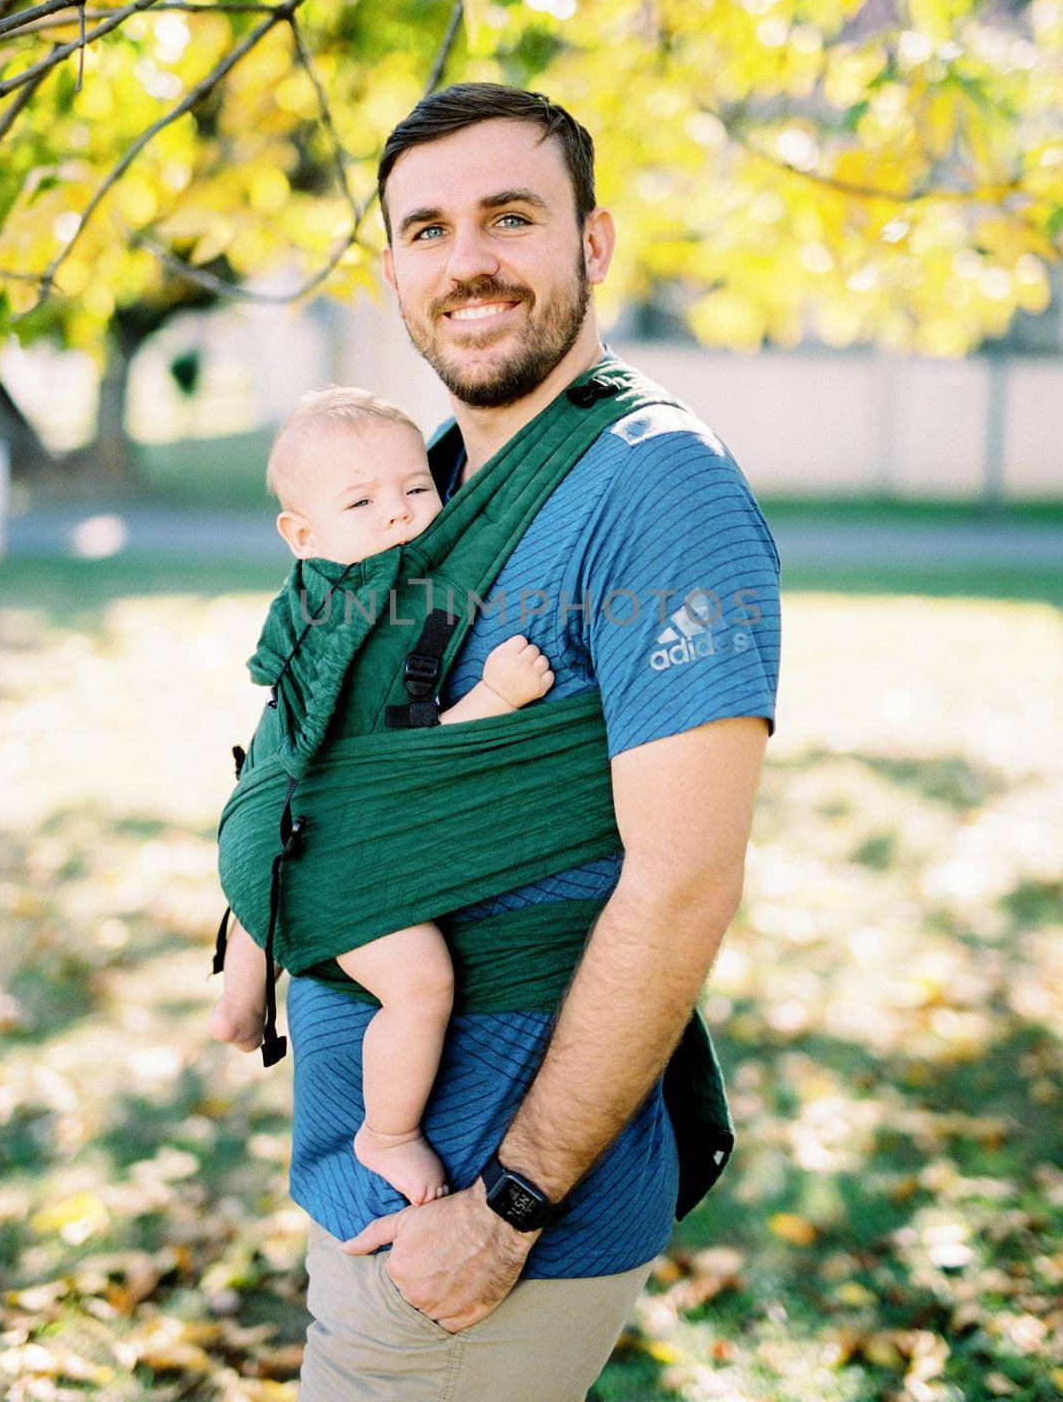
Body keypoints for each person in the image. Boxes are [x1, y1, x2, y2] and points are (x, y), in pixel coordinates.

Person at [290, 83, 782, 1402]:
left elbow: (682, 881)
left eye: (511, 217)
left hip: (483, 1221)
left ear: (593, 242)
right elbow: (327, 744)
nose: (469, 263)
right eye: (428, 228)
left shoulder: (654, 484)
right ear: (391, 263)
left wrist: (505, 1208)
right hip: (374, 1177)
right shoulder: (425, 483)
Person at [210, 384, 555, 1206]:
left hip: (267, 833)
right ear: (302, 533)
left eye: (415, 488)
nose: (399, 515)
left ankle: (239, 1000)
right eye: (361, 501)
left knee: (269, 883)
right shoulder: (385, 613)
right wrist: (494, 699)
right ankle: (388, 1131)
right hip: (332, 843)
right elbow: (399, 760)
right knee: (420, 983)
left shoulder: (306, 598)